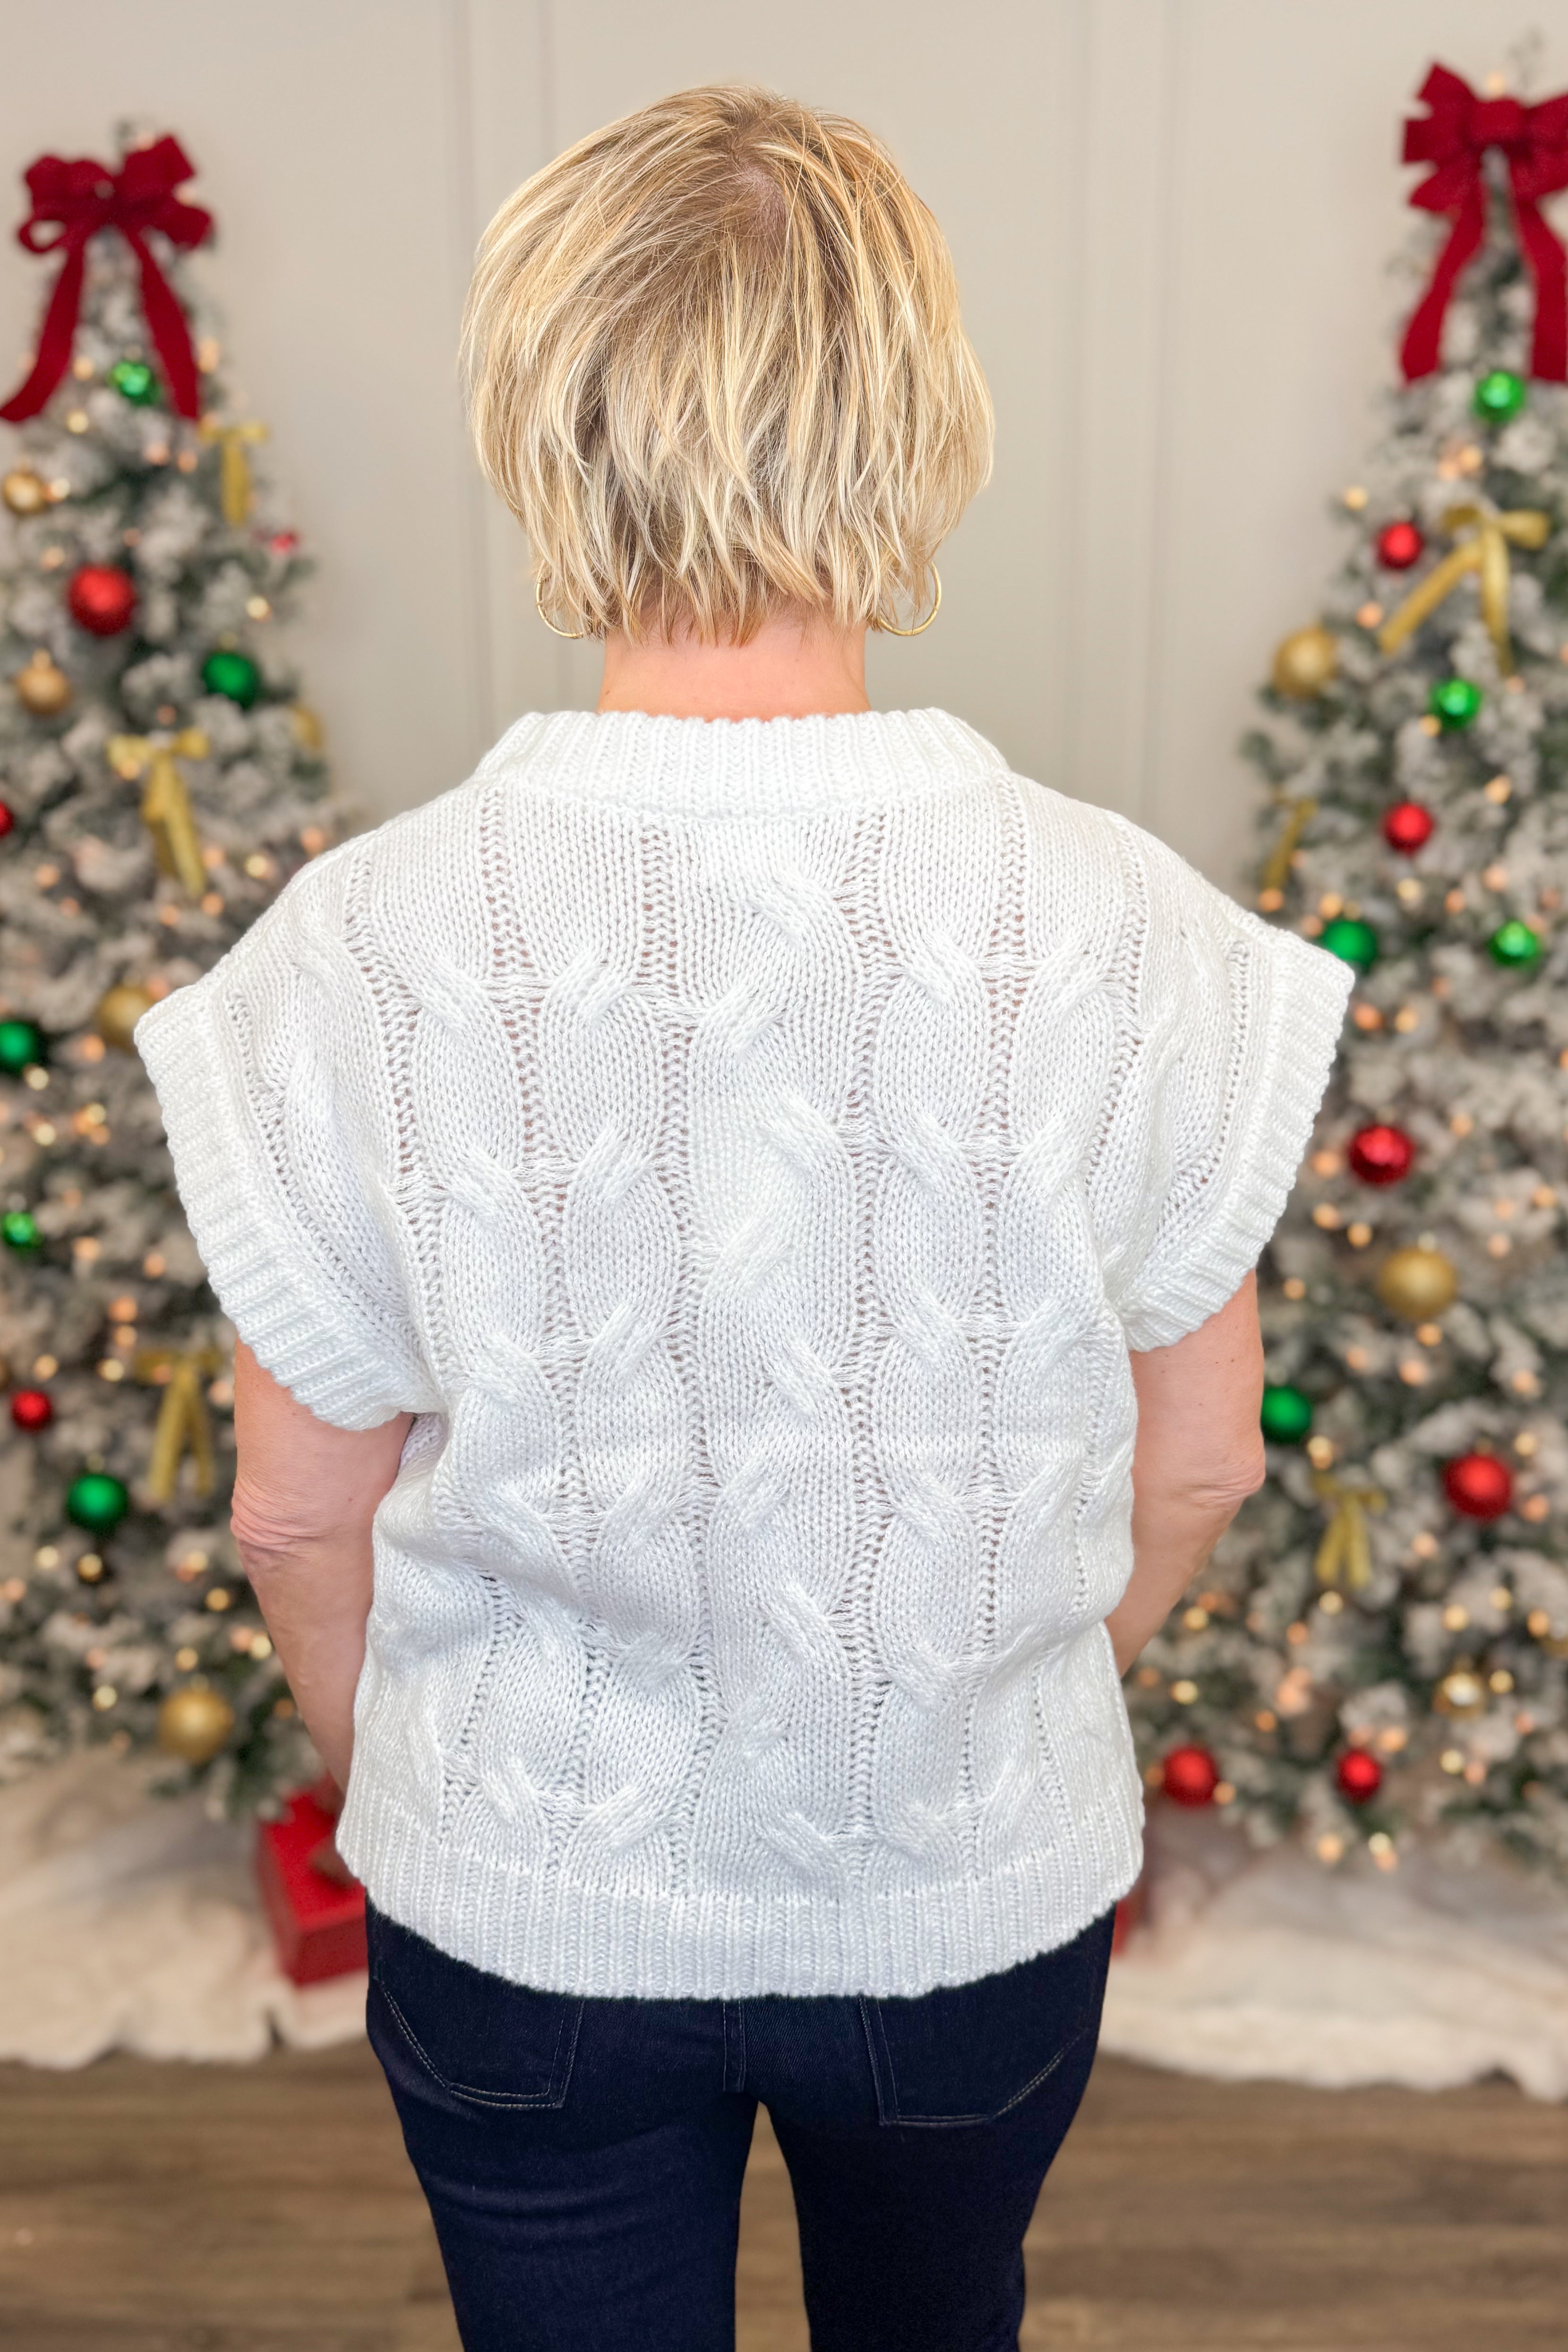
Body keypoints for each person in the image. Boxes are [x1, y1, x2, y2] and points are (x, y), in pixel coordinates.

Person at [137, 85, 1351, 2352]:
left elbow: (296, 1526)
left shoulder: (361, 952)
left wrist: (395, 1770)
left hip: (525, 1913)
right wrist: (996, 1705)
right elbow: (1198, 1458)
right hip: (966, 1896)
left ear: (540, 414)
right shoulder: (1124, 931)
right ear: (914, 424)